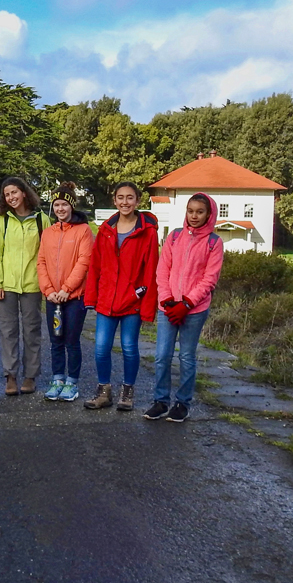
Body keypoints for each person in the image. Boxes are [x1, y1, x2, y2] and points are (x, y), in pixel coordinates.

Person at [146, 193, 224, 423]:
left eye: (200, 212)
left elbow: (210, 278)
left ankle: (182, 403)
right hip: (168, 307)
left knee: (187, 357)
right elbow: (162, 270)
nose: (194, 216)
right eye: (191, 211)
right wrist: (168, 299)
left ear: (209, 214)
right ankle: (160, 401)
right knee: (162, 356)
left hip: (195, 310)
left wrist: (188, 302)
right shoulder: (174, 237)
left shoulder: (214, 242)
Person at [84, 181, 159, 411]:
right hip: (107, 299)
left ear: (137, 201)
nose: (125, 202)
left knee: (129, 347)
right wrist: (91, 297)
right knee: (100, 347)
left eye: (130, 197)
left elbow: (151, 269)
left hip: (132, 300)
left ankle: (127, 391)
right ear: (114, 200)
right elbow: (95, 266)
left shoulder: (147, 231)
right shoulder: (106, 229)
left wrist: (146, 304)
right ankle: (104, 390)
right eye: (120, 197)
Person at [0, 176, 51, 396]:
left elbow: (47, 253)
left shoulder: (41, 220)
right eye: (7, 194)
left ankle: (30, 376)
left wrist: (46, 282)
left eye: (14, 192)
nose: (11, 197)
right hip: (7, 285)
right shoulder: (3, 220)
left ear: (24, 193)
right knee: (8, 332)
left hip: (33, 285)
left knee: (32, 331)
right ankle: (11, 376)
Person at [37, 182, 93, 402]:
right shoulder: (49, 233)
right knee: (55, 340)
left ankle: (72, 382)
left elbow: (84, 261)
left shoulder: (83, 231)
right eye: (56, 205)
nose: (60, 209)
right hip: (53, 298)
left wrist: (66, 289)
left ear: (71, 206)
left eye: (64, 204)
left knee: (71, 340)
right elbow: (41, 261)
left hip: (74, 297)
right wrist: (49, 290)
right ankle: (57, 379)